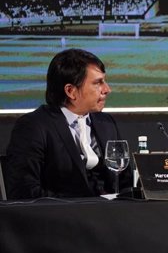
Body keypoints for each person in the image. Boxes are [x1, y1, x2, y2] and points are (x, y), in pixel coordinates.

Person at [5, 48, 131, 199]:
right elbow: (23, 191)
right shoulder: (33, 127)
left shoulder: (106, 122)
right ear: (71, 91)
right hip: (62, 218)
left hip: (112, 217)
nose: (107, 89)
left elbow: (126, 182)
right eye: (98, 83)